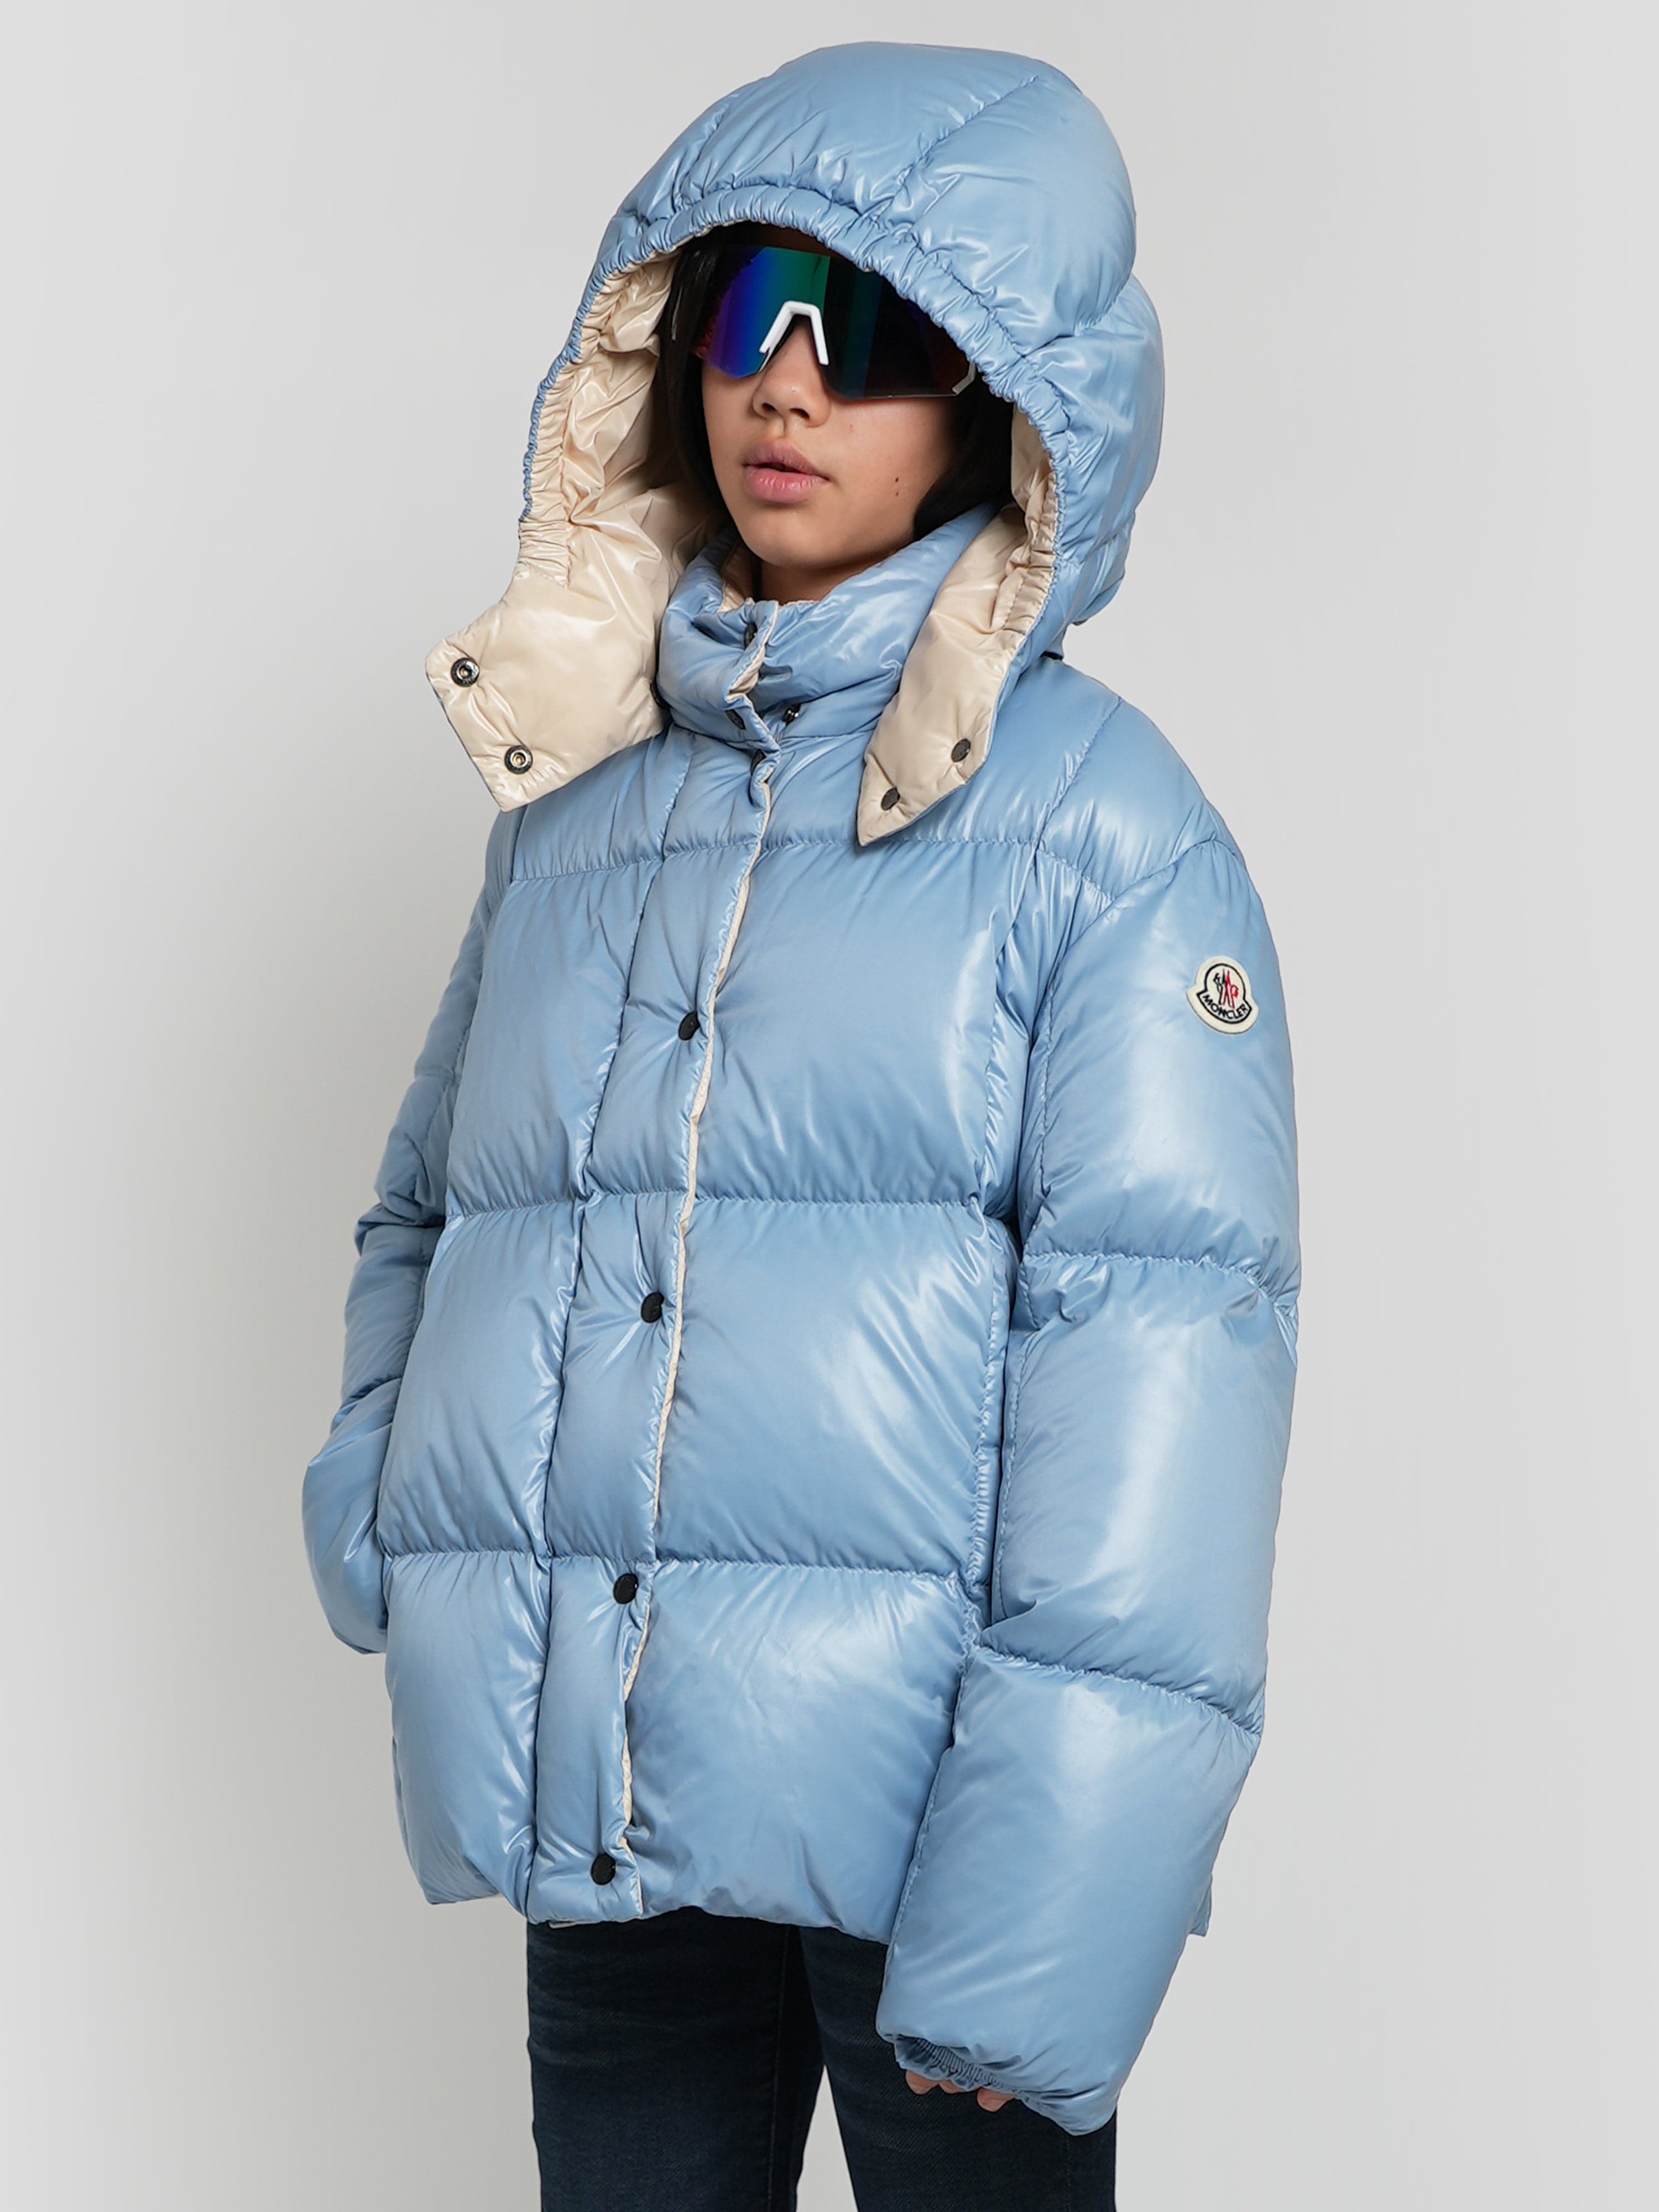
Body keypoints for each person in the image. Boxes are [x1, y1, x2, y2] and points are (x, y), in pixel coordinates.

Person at [302, 40, 1300, 2212]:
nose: (788, 383)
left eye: (874, 334)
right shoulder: (578, 812)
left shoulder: (1106, 837)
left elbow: (1163, 1392)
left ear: (1001, 396)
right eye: (748, 311)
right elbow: (430, 1211)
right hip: (609, 1797)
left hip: (942, 1844)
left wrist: (1050, 1900)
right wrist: (391, 1510)